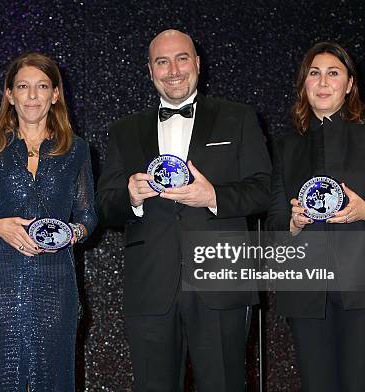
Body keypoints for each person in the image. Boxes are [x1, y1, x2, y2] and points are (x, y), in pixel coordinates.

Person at [96, 29, 271, 391]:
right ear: (150, 70)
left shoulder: (238, 117)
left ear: (198, 64)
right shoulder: (123, 130)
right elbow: (104, 206)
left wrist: (213, 196)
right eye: (162, 61)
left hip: (221, 280)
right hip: (151, 287)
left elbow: (264, 191)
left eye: (181, 58)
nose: (173, 69)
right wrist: (130, 197)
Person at [266, 42, 365, 391]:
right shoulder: (287, 146)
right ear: (304, 84)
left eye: (333, 73)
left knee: (361, 383)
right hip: (305, 286)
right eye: (313, 74)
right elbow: (274, 219)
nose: (322, 82)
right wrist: (293, 222)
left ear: (349, 84)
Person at [0, 52, 96, 391]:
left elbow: (88, 215)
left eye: (41, 86)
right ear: (9, 94)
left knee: (54, 377)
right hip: (1, 282)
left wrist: (72, 232)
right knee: (2, 376)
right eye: (22, 86)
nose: (31, 96)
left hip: (56, 280)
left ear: (55, 94)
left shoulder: (76, 149)